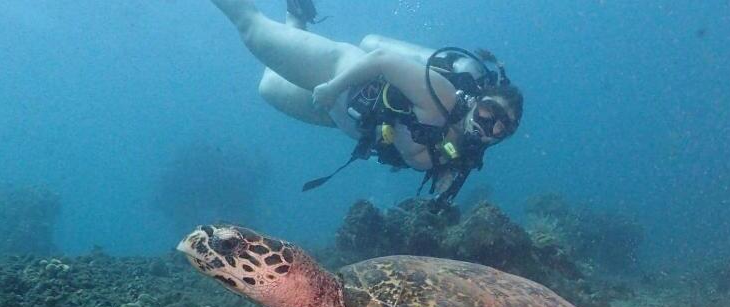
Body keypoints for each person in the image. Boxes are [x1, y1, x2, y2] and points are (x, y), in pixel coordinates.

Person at [211, 0, 523, 206]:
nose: (490, 125)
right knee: (250, 28)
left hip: (346, 118)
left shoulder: (466, 155)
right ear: (476, 102)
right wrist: (333, 87)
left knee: (268, 87)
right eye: (489, 111)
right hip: (340, 73)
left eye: (502, 126)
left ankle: (298, 17)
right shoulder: (442, 96)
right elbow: (384, 60)